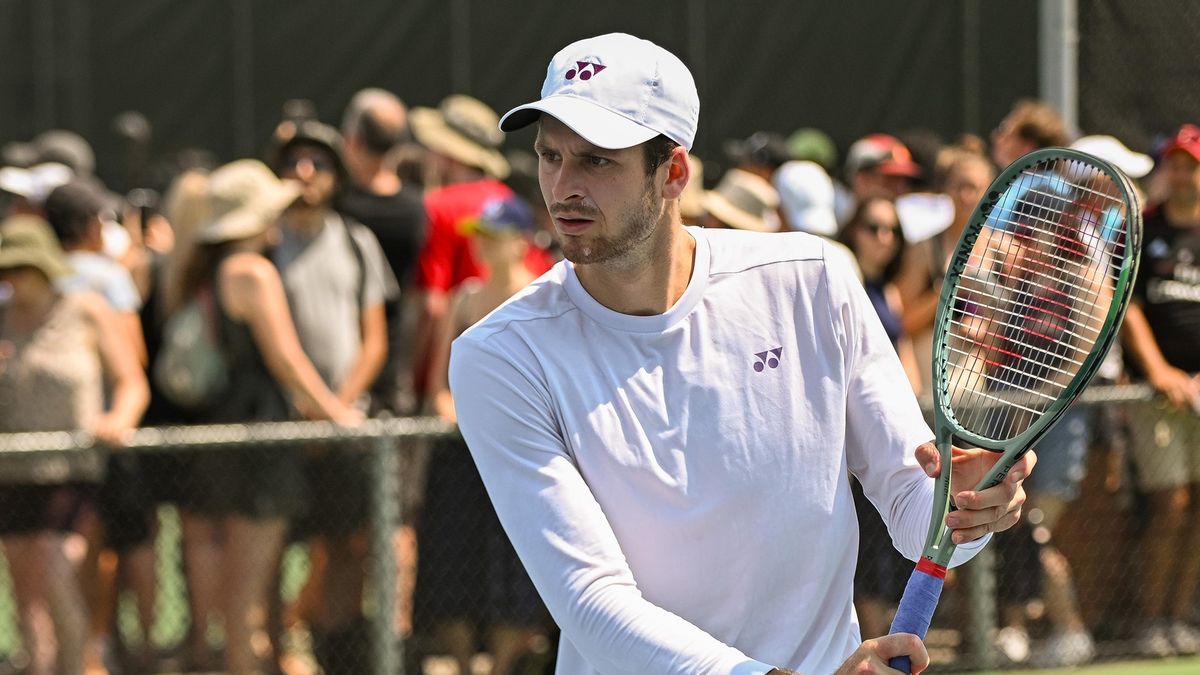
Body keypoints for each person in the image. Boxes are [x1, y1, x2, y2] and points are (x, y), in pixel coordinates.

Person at [448, 32, 1035, 675]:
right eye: (549, 155)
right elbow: (591, 602)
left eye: (596, 162)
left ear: (672, 173)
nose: (562, 187)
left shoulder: (814, 278)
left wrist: (969, 507)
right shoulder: (498, 356)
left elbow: (914, 509)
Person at [170, 159, 363, 675]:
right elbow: (287, 360)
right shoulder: (253, 272)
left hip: (226, 441)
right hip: (260, 447)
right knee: (249, 584)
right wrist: (337, 414)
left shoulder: (204, 272)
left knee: (243, 581)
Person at [270, 120, 399, 675]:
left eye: (317, 163)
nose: (305, 172)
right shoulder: (263, 241)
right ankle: (281, 645)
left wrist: (337, 407)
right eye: (294, 162)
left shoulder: (357, 240)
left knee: (348, 542)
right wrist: (305, 406)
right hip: (275, 425)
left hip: (346, 423)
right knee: (272, 546)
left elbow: (374, 340)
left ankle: (337, 645)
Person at [0, 215, 149, 675]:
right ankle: (39, 665)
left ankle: (76, 663)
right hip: (12, 472)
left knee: (57, 569)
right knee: (25, 589)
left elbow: (131, 382)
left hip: (70, 471)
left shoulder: (86, 310)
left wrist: (118, 420)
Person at [419, 194, 549, 675]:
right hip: (460, 458)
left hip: (518, 458)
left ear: (520, 243)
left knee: (512, 569)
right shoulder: (465, 298)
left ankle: (500, 666)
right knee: (451, 561)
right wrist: (457, 417)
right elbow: (437, 385)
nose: (484, 248)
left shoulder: (543, 297)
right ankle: (461, 663)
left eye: (494, 238)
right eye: (480, 237)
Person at [1121, 123, 1200, 657]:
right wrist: (1159, 371)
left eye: (1189, 164)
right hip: (1157, 396)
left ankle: (1179, 616)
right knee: (1169, 503)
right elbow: (1129, 303)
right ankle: (1150, 620)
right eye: (1173, 162)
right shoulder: (1144, 228)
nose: (1179, 172)